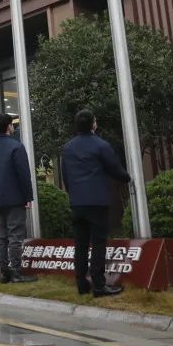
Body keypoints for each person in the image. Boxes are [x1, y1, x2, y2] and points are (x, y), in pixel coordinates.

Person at [61, 109, 131, 297]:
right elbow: (115, 168)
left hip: (77, 202)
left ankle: (81, 284)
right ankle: (99, 286)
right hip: (97, 201)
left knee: (80, 244)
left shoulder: (67, 147)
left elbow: (65, 175)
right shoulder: (101, 145)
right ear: (93, 124)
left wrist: (73, 194)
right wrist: (127, 177)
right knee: (99, 243)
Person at [0, 113, 36, 284]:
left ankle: (4, 272)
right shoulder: (16, 147)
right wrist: (28, 196)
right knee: (15, 236)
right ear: (9, 126)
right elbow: (24, 175)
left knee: (2, 237)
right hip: (15, 198)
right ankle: (15, 272)